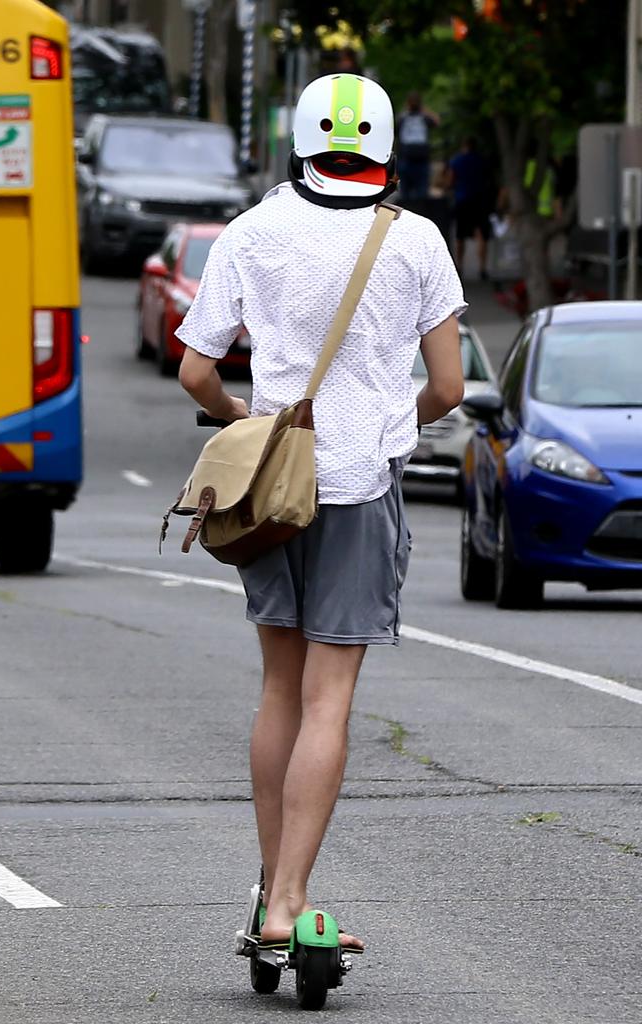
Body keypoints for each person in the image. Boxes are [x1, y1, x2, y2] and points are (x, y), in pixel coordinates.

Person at [176, 73, 466, 951]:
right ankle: (289, 905)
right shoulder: (416, 241)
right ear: (383, 146)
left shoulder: (252, 232)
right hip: (360, 489)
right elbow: (449, 387)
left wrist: (252, 426)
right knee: (328, 700)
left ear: (301, 139)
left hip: (271, 494)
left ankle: (268, 889)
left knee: (278, 692)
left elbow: (196, 371)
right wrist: (384, 424)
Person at [445, 135, 493, 280]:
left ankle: (459, 267)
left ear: (463, 146)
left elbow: (450, 181)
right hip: (480, 200)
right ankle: (482, 268)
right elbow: (489, 179)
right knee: (481, 235)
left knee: (460, 236)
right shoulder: (482, 160)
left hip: (462, 200)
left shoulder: (457, 161)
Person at [395, 91, 440, 200]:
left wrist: (423, 110)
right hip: (408, 158)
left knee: (420, 194)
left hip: (419, 159)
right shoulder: (404, 117)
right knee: (406, 194)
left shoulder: (423, 117)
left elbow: (437, 122)